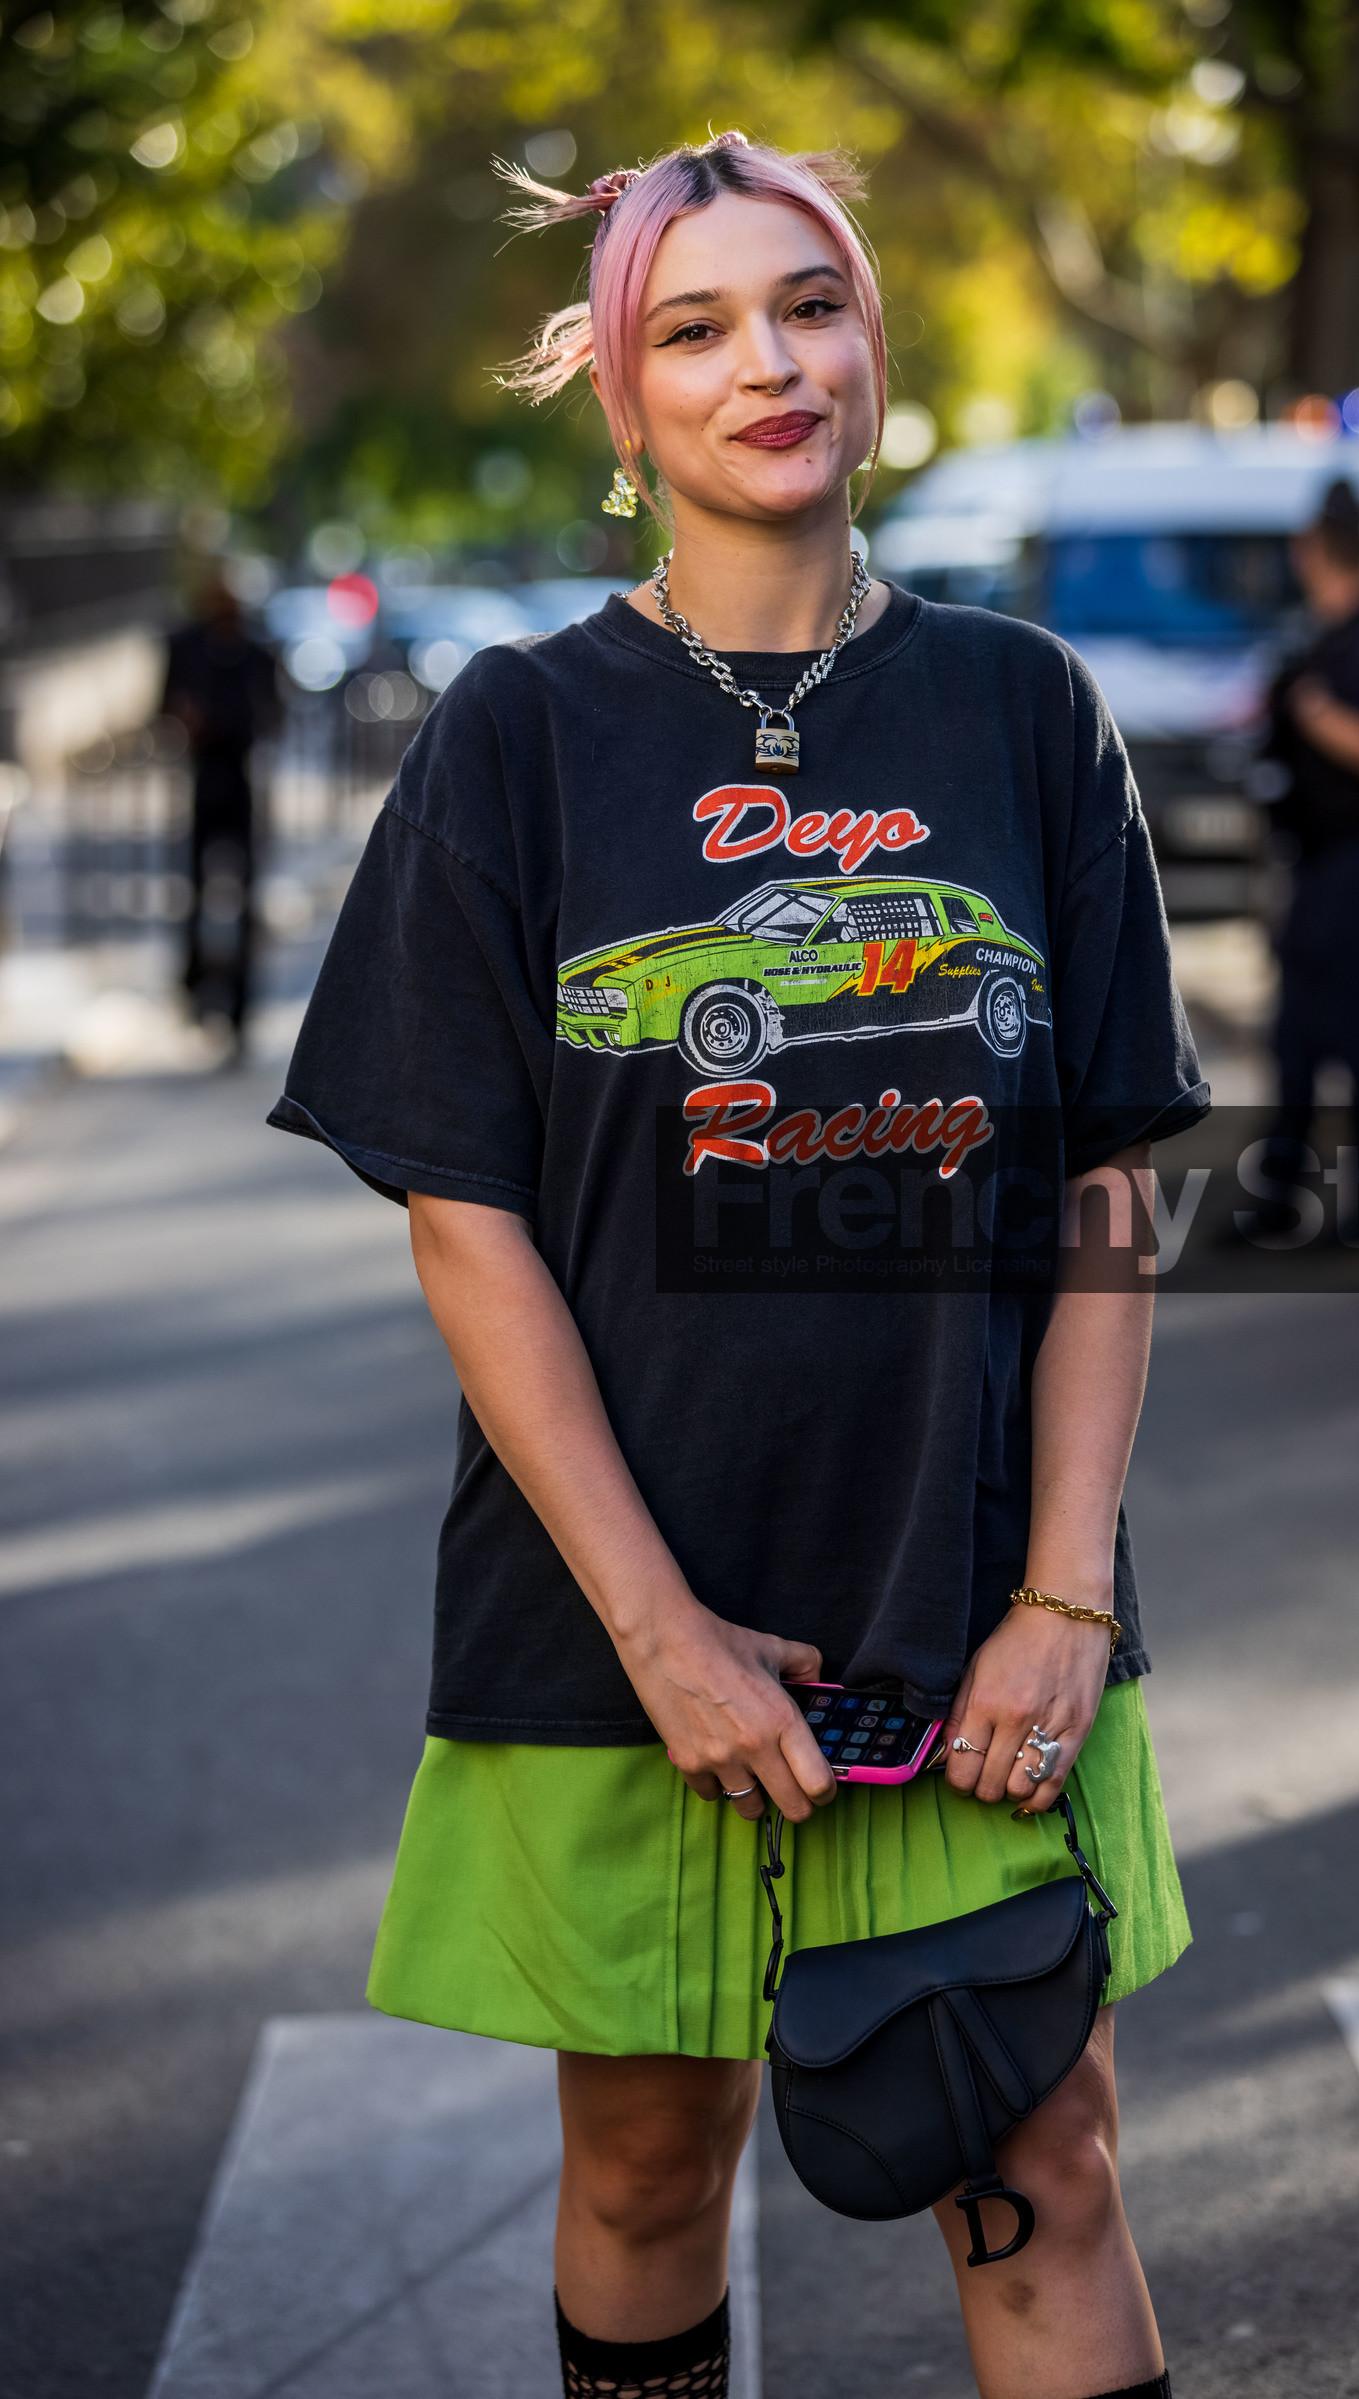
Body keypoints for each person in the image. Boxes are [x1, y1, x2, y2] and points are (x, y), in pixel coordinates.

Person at [269, 133, 1208, 2399]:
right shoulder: (517, 732)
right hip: (621, 1611)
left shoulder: (1021, 708)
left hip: (972, 1605)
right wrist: (663, 1632)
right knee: (640, 2167)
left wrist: (1063, 1592)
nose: (763, 362)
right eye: (693, 326)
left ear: (872, 344)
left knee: (1042, 2152)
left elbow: (1103, 1184)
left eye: (808, 304)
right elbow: (466, 1217)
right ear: (622, 396)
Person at [1258, 478, 1359, 1235]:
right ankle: (1279, 1194)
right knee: (1295, 1040)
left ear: (1313, 551)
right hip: (1314, 866)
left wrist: (1316, 714)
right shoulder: (1314, 643)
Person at [162, 573, 277, 1048]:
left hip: (241, 781)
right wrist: (185, 721)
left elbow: (273, 713)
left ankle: (241, 1005)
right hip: (204, 779)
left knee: (245, 896)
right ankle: (194, 986)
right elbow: (166, 706)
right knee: (195, 890)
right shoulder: (186, 646)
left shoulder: (255, 652)